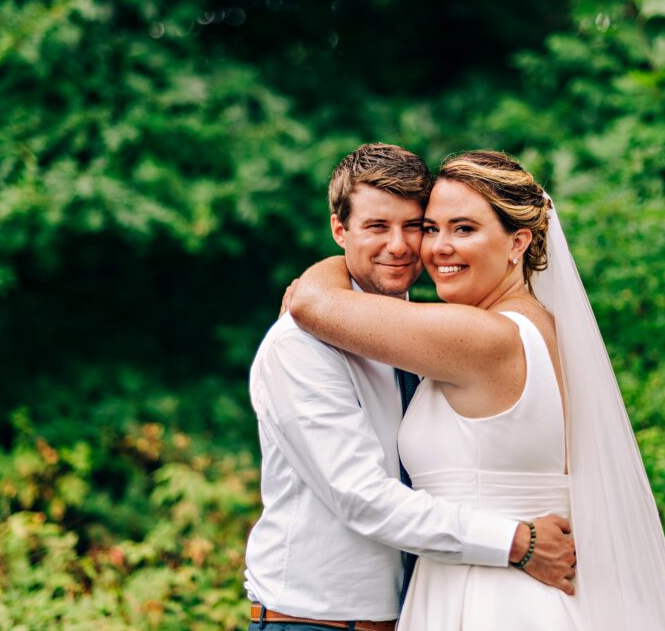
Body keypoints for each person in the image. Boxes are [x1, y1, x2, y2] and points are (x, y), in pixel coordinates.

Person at [288, 151, 665, 629]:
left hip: (491, 599)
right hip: (521, 591)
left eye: (464, 229)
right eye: (431, 228)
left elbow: (310, 303)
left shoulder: (485, 337)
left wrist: (342, 253)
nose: (436, 248)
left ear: (518, 241)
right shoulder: (542, 326)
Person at [243, 144, 577, 631]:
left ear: (517, 242)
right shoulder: (302, 344)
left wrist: (317, 290)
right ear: (340, 230)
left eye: (415, 226)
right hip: (317, 623)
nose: (400, 245)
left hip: (438, 609)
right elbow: (361, 496)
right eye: (377, 226)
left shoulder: (432, 335)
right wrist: (514, 541)